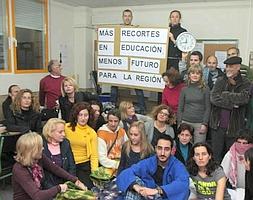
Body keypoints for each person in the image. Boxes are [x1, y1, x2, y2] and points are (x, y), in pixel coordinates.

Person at [12, 132, 86, 200]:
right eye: (40, 147)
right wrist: (59, 188)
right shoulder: (19, 169)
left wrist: (75, 180)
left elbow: (55, 169)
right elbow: (37, 196)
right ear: (33, 151)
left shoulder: (39, 158)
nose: (43, 148)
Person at [117, 134, 189, 200]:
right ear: (155, 148)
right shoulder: (150, 162)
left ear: (172, 151)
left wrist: (156, 191)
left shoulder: (178, 166)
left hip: (165, 197)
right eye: (159, 148)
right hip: (147, 195)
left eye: (166, 149)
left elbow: (182, 183)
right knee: (134, 182)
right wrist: (137, 187)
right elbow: (127, 172)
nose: (162, 153)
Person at [209, 56, 251, 162]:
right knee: (215, 156)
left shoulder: (245, 83)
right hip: (217, 126)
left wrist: (225, 94)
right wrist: (233, 105)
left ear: (238, 67)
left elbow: (244, 99)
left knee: (232, 157)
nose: (228, 69)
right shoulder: (220, 80)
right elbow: (214, 98)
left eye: (231, 66)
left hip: (234, 127)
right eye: (227, 66)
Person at [110, 9, 146, 114]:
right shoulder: (117, 29)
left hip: (132, 63)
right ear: (123, 17)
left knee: (138, 85)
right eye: (125, 16)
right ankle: (112, 105)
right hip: (120, 63)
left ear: (131, 17)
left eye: (129, 16)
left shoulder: (136, 30)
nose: (127, 18)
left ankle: (142, 108)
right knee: (114, 83)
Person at [65, 102, 98, 189]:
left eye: (86, 115)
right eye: (80, 115)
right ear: (75, 115)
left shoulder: (92, 132)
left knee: (87, 190)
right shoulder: (66, 127)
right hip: (68, 165)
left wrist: (95, 174)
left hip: (84, 166)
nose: (83, 118)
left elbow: (94, 156)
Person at [177, 65, 210, 143]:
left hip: (200, 123)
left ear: (201, 75)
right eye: (193, 73)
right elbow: (180, 107)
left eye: (197, 73)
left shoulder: (205, 89)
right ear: (189, 75)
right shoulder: (184, 89)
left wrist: (205, 123)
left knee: (199, 147)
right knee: (185, 147)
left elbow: (208, 108)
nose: (195, 75)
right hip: (185, 122)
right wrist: (179, 123)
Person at [42, 118, 76, 189]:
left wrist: (69, 184)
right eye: (60, 132)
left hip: (66, 185)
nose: (63, 134)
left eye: (64, 131)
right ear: (50, 132)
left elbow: (72, 166)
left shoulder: (66, 143)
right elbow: (40, 174)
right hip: (47, 187)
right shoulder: (41, 146)